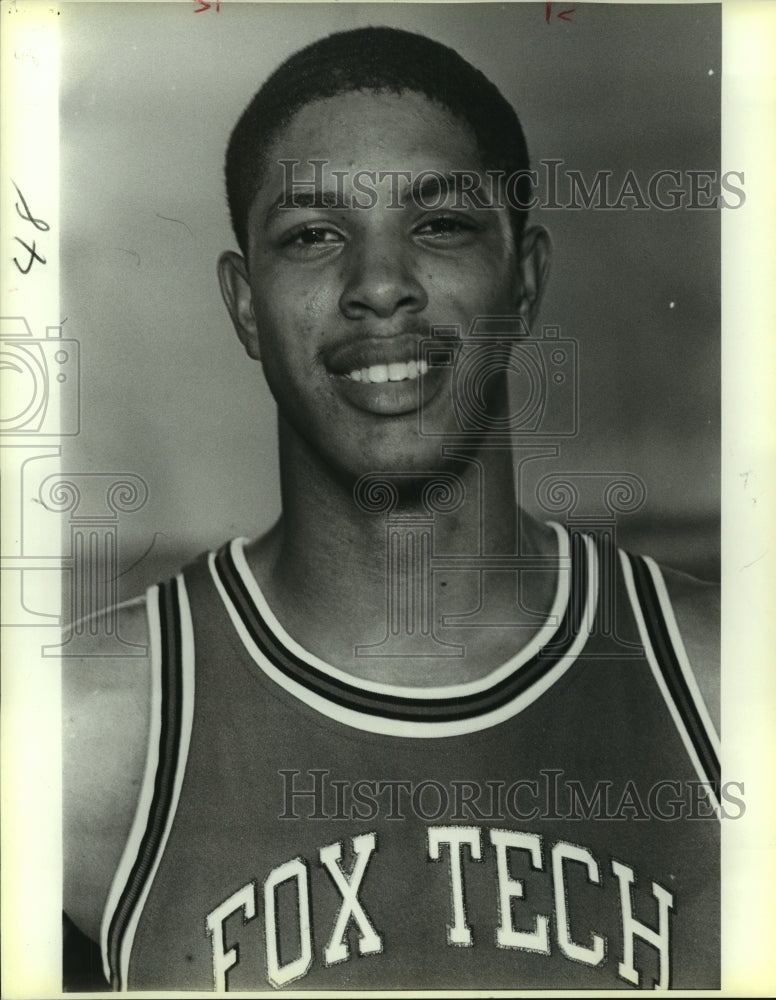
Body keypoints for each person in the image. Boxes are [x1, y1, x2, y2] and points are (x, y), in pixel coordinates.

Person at [63, 25, 720, 992]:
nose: (378, 286)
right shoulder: (87, 733)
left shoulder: (722, 692)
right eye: (313, 235)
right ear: (245, 306)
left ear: (525, 279)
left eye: (440, 224)